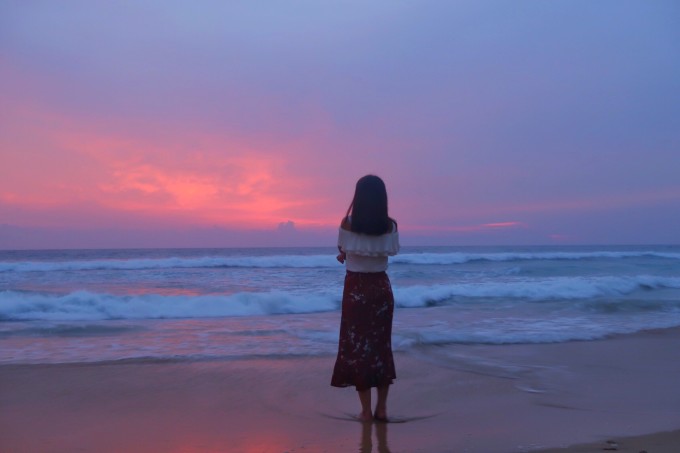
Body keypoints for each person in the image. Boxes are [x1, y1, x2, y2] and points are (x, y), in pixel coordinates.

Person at [331, 174, 400, 422]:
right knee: (381, 349)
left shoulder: (348, 223)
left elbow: (345, 250)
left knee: (359, 349)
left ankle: (366, 412)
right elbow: (386, 252)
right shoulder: (390, 226)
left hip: (356, 290)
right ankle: (382, 409)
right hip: (381, 289)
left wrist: (345, 256)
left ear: (357, 197)